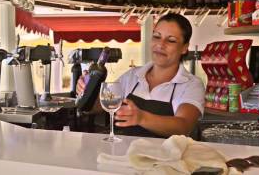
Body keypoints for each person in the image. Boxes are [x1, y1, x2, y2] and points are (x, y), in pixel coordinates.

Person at [76, 13, 205, 138]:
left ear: (184, 48)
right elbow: (98, 107)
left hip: (164, 158)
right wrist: (87, 92)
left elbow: (183, 127)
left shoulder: (191, 84)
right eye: (157, 37)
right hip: (122, 156)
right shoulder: (132, 76)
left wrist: (142, 118)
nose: (160, 44)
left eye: (171, 40)